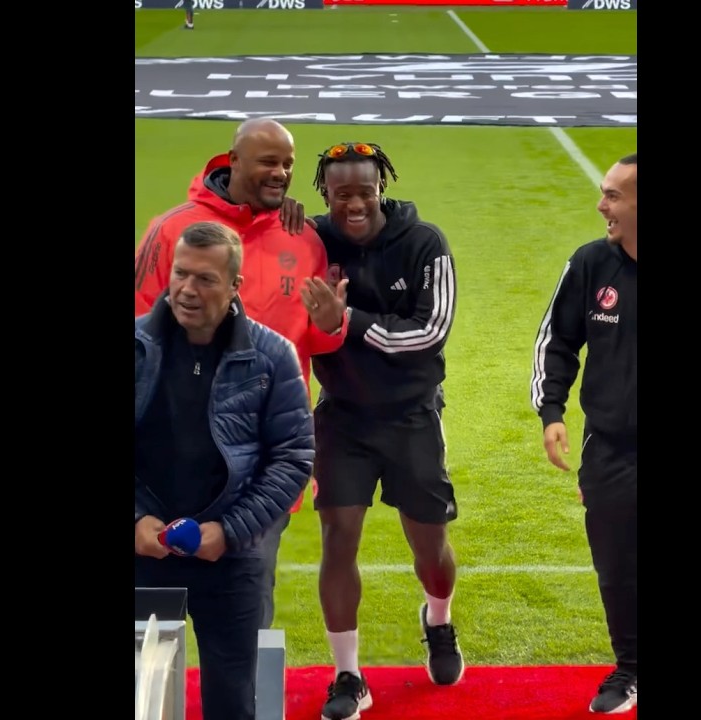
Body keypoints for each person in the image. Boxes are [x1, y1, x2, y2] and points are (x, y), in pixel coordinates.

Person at [134, 118, 348, 631]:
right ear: (233, 161)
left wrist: (331, 326)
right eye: (269, 162)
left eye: (289, 164)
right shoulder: (173, 230)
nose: (281, 173)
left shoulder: (304, 239)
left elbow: (311, 343)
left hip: (258, 464)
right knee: (153, 630)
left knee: (244, 619)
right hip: (171, 457)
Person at [300, 142, 462, 720]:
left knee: (429, 541)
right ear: (325, 193)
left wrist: (348, 323)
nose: (354, 204)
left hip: (411, 413)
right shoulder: (313, 239)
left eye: (364, 191)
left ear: (381, 188)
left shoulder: (425, 243)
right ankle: (348, 675)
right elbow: (269, 257)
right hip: (342, 414)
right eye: (341, 194)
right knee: (337, 538)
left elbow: (430, 330)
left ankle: (438, 620)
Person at [134, 221, 314, 720]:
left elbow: (294, 457)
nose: (188, 290)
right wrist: (135, 522)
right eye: (180, 274)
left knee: (235, 700)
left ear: (236, 286)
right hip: (145, 551)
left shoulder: (273, 356)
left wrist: (228, 532)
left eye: (206, 279)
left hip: (232, 558)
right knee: (144, 700)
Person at [529, 152, 637, 714]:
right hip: (612, 446)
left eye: (614, 195)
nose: (601, 205)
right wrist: (550, 412)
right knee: (617, 564)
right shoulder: (592, 263)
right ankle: (630, 668)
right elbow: (557, 340)